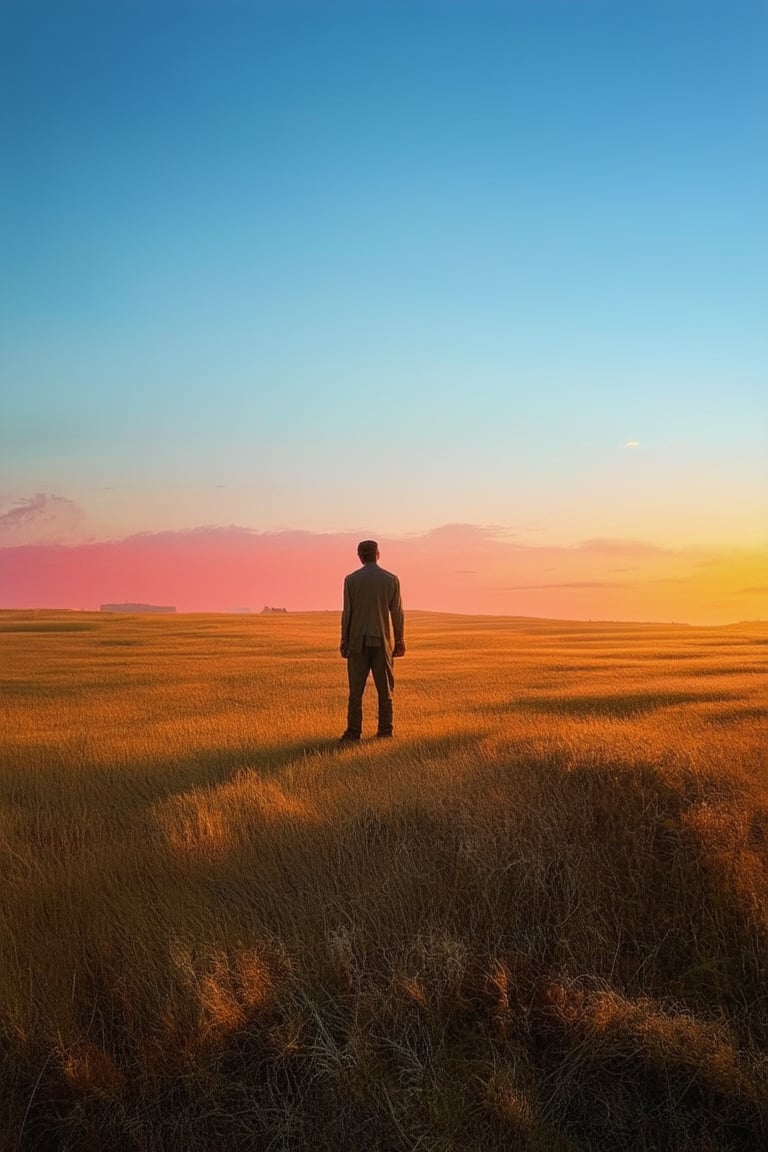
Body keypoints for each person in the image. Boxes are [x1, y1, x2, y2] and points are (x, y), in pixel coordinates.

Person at [339, 540, 405, 742]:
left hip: (357, 642)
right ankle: (385, 731)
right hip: (382, 642)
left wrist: (344, 640)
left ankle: (353, 733)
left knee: (355, 691)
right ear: (378, 554)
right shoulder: (391, 579)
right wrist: (400, 640)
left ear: (359, 556)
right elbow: (397, 613)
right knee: (385, 690)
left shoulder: (351, 580)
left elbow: (347, 613)